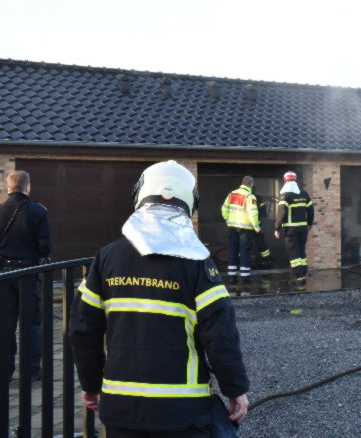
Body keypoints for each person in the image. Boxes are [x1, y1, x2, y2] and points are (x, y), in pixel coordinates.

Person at [69, 160, 249, 437]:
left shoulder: (106, 258)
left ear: (140, 195)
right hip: (183, 412)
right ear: (189, 202)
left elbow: (83, 330)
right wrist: (235, 390)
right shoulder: (198, 262)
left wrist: (90, 385)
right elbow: (221, 335)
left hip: (121, 409)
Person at [1, 170, 51, 382]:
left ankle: (5, 371)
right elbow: (45, 246)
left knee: (5, 323)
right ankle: (31, 370)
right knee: (31, 323)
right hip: (28, 273)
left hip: (3, 274)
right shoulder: (38, 211)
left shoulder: (0, 210)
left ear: (9, 187)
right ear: (27, 187)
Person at [274, 171, 314, 290]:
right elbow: (311, 210)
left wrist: (277, 228)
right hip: (303, 228)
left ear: (285, 180)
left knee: (294, 252)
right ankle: (303, 272)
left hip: (291, 229)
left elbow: (281, 213)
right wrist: (310, 224)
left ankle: (299, 277)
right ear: (295, 180)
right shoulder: (304, 193)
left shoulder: (285, 195)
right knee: (301, 250)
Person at [221, 176, 261, 286]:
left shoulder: (232, 194)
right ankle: (245, 277)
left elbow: (224, 209)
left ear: (242, 183)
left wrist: (228, 220)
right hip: (245, 229)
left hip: (232, 227)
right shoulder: (250, 196)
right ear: (251, 184)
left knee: (233, 250)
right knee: (244, 252)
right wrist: (256, 227)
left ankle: (231, 277)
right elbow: (253, 213)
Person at [252, 187, 272, 269]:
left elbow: (263, 212)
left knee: (247, 244)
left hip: (248, 226)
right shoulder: (258, 198)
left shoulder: (248, 198)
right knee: (260, 243)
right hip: (257, 225)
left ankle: (244, 263)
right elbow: (263, 213)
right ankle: (266, 260)